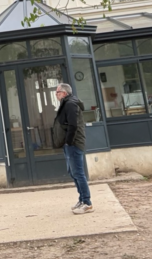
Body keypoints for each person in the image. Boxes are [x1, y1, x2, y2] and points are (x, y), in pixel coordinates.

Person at [54, 84, 93, 214]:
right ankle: (81, 199)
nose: (56, 94)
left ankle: (87, 203)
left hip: (74, 143)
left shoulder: (70, 104)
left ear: (64, 93)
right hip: (69, 144)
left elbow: (73, 125)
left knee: (78, 173)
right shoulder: (66, 103)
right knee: (73, 173)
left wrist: (69, 142)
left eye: (58, 92)